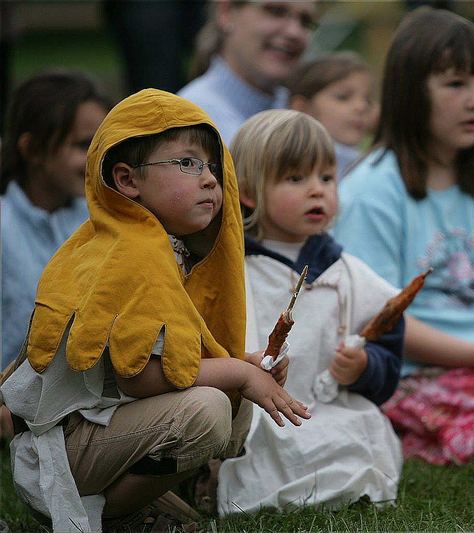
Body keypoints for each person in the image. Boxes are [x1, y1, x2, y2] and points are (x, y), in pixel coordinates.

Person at [0, 89, 309, 532]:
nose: (208, 179)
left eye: (210, 166)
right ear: (127, 181)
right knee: (208, 409)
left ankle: (155, 498)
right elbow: (139, 377)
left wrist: (248, 366)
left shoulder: (165, 247)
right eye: (186, 163)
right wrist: (238, 373)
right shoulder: (130, 254)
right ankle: (114, 516)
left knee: (233, 398)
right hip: (67, 448)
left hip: (107, 425)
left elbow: (175, 360)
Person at [333, 7, 474, 465]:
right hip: (414, 375)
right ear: (409, 93)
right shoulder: (370, 191)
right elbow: (379, 316)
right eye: (456, 84)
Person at [214, 109, 403, 513]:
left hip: (331, 407)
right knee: (262, 450)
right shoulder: (230, 269)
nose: (317, 191)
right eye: (296, 178)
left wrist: (365, 366)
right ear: (248, 192)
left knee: (362, 432)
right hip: (258, 416)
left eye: (327, 178)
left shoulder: (345, 272)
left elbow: (388, 338)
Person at [1, 71, 110, 370]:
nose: (97, 158)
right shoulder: (5, 228)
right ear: (32, 149)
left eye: (102, 144)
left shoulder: (105, 219)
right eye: (83, 144)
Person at [178, 0, 317, 144]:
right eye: (276, 11)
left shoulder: (304, 111)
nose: (294, 32)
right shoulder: (191, 122)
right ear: (226, 12)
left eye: (306, 21)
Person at [287, 51, 376, 179]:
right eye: (343, 97)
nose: (362, 107)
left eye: (368, 100)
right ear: (303, 108)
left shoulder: (369, 163)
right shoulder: (291, 166)